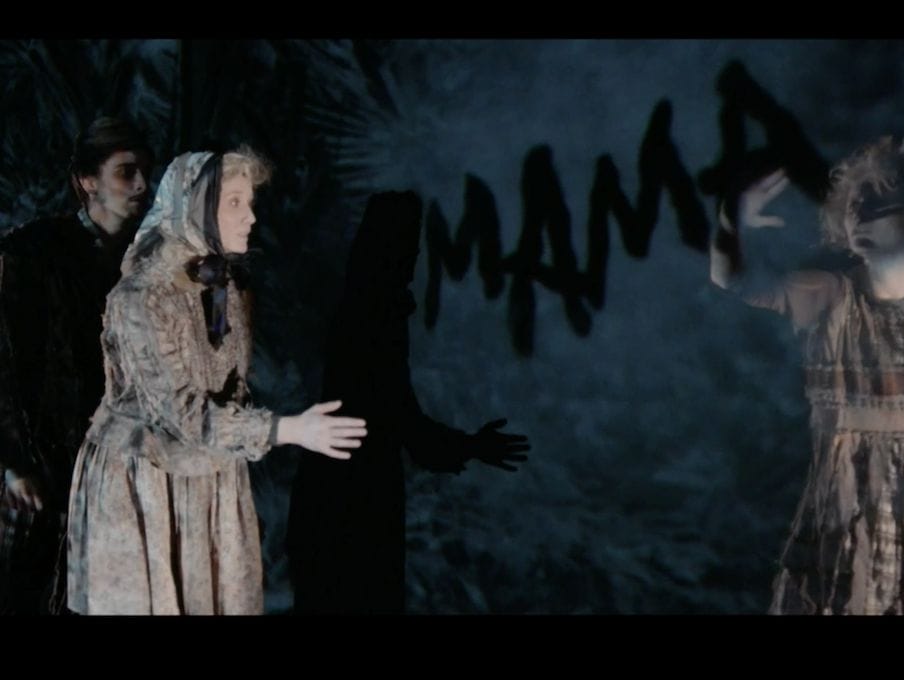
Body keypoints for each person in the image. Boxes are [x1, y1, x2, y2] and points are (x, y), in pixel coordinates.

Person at [66, 148, 367, 615]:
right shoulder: (141, 298)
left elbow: (229, 389)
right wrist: (287, 429)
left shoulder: (227, 287)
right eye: (234, 202)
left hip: (213, 474)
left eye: (250, 202)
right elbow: (181, 414)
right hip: (148, 479)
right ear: (196, 207)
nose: (250, 217)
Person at [710, 131, 904, 614]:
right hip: (849, 502)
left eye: (876, 205)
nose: (859, 216)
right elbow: (733, 280)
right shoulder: (828, 294)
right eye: (853, 207)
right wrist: (730, 221)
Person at [288, 191, 529, 614]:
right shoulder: (374, 317)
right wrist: (471, 446)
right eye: (405, 248)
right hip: (353, 504)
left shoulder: (366, 309)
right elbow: (399, 418)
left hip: (344, 497)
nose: (411, 261)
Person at [0, 117, 153, 614]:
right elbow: (5, 363)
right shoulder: (33, 253)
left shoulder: (150, 262)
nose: (141, 185)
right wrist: (14, 463)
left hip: (118, 463)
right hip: (43, 465)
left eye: (144, 171)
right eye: (126, 172)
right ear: (87, 181)